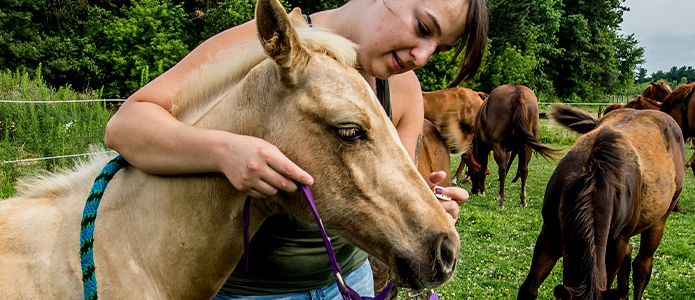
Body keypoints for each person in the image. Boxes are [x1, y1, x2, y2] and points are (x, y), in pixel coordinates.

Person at [104, 0, 489, 297]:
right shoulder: (268, 43)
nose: (421, 55)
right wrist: (225, 151)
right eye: (423, 27)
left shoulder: (403, 89)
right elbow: (128, 124)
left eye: (437, 47)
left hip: (349, 283)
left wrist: (428, 203)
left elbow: (387, 183)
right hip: (253, 293)